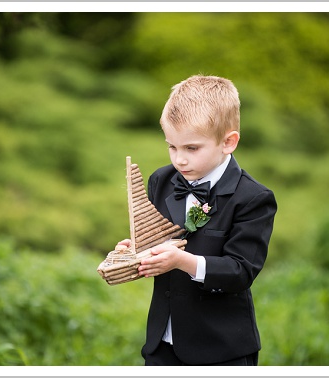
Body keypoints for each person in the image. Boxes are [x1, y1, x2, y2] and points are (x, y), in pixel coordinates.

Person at [116, 75, 277, 366]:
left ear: (228, 142)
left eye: (191, 148)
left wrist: (181, 261)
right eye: (172, 147)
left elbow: (240, 271)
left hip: (221, 347)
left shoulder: (253, 198)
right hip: (161, 342)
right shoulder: (162, 180)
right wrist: (136, 252)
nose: (180, 160)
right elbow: (159, 240)